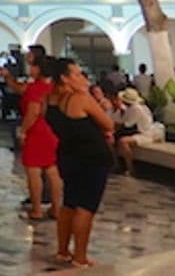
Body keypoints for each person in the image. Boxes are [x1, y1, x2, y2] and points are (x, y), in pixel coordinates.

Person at [47, 58, 114, 269]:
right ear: (64, 78)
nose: (82, 78)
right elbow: (108, 123)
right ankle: (80, 256)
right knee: (86, 207)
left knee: (69, 204)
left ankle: (63, 250)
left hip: (68, 156)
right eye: (76, 74)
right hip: (91, 158)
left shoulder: (50, 101)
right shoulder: (80, 99)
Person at [5, 48, 62, 222]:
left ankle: (37, 209)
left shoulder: (35, 88)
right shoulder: (52, 87)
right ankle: (56, 208)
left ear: (38, 68)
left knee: (33, 170)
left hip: (37, 132)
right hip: (52, 130)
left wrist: (23, 130)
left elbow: (33, 112)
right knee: (52, 170)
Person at [115, 87, 161, 176]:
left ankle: (130, 168)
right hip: (139, 132)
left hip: (146, 134)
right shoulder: (130, 108)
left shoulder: (136, 109)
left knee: (123, 142)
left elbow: (127, 125)